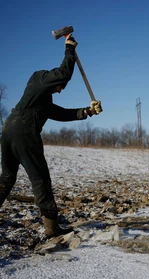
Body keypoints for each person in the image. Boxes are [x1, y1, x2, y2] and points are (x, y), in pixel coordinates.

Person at [0, 34, 102, 237]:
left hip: (8, 129)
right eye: (60, 87)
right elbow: (64, 73)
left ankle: (51, 226)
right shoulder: (40, 78)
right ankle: (52, 228)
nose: (61, 90)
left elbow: (62, 114)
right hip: (24, 131)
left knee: (7, 177)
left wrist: (88, 111)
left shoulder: (41, 101)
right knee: (41, 180)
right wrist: (69, 49)